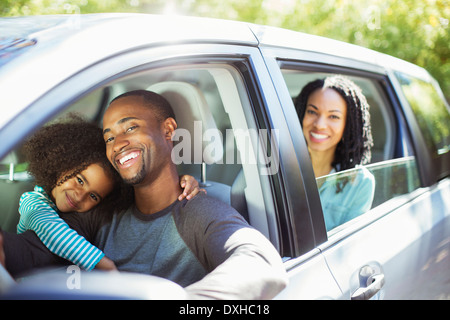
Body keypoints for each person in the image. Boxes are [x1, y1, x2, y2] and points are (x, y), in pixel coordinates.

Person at [1, 90, 287, 299]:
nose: (118, 144)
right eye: (109, 137)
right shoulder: (102, 211)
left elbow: (261, 265)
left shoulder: (197, 210)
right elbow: (29, 249)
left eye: (131, 127)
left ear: (168, 129)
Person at [14, 114, 202, 272]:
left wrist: (182, 180)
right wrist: (105, 266)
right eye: (79, 180)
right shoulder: (33, 203)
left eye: (93, 196)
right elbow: (53, 231)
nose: (80, 196)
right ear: (61, 163)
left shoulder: (89, 215)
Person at [295, 75, 375, 231]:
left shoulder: (360, 183)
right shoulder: (276, 164)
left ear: (348, 125)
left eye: (333, 116)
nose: (320, 125)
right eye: (312, 111)